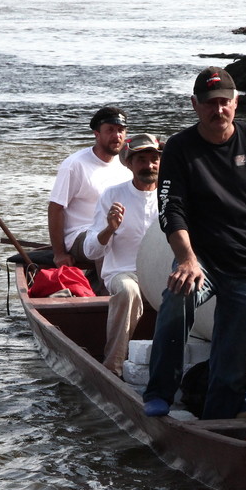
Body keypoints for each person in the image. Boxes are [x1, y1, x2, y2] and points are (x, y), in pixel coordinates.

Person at [142, 67, 246, 420]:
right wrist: (187, 260)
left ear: (236, 103)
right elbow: (169, 209)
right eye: (209, 103)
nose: (217, 110)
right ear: (195, 105)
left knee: (231, 356)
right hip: (201, 259)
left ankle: (216, 423)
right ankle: (159, 390)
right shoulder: (180, 147)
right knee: (176, 297)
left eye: (224, 102)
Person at [83, 133, 163, 376]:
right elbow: (90, 250)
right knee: (128, 290)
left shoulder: (171, 195)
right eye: (141, 160)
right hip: (123, 272)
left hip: (161, 273)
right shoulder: (112, 195)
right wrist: (109, 228)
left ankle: (173, 369)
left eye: (153, 159)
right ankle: (113, 367)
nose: (149, 165)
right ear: (129, 163)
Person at [48, 107, 132, 275]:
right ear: (97, 134)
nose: (117, 136)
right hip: (80, 235)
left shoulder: (128, 164)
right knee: (105, 240)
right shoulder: (75, 165)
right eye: (110, 130)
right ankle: (108, 293)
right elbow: (55, 208)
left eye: (120, 130)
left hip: (117, 230)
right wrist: (59, 254)